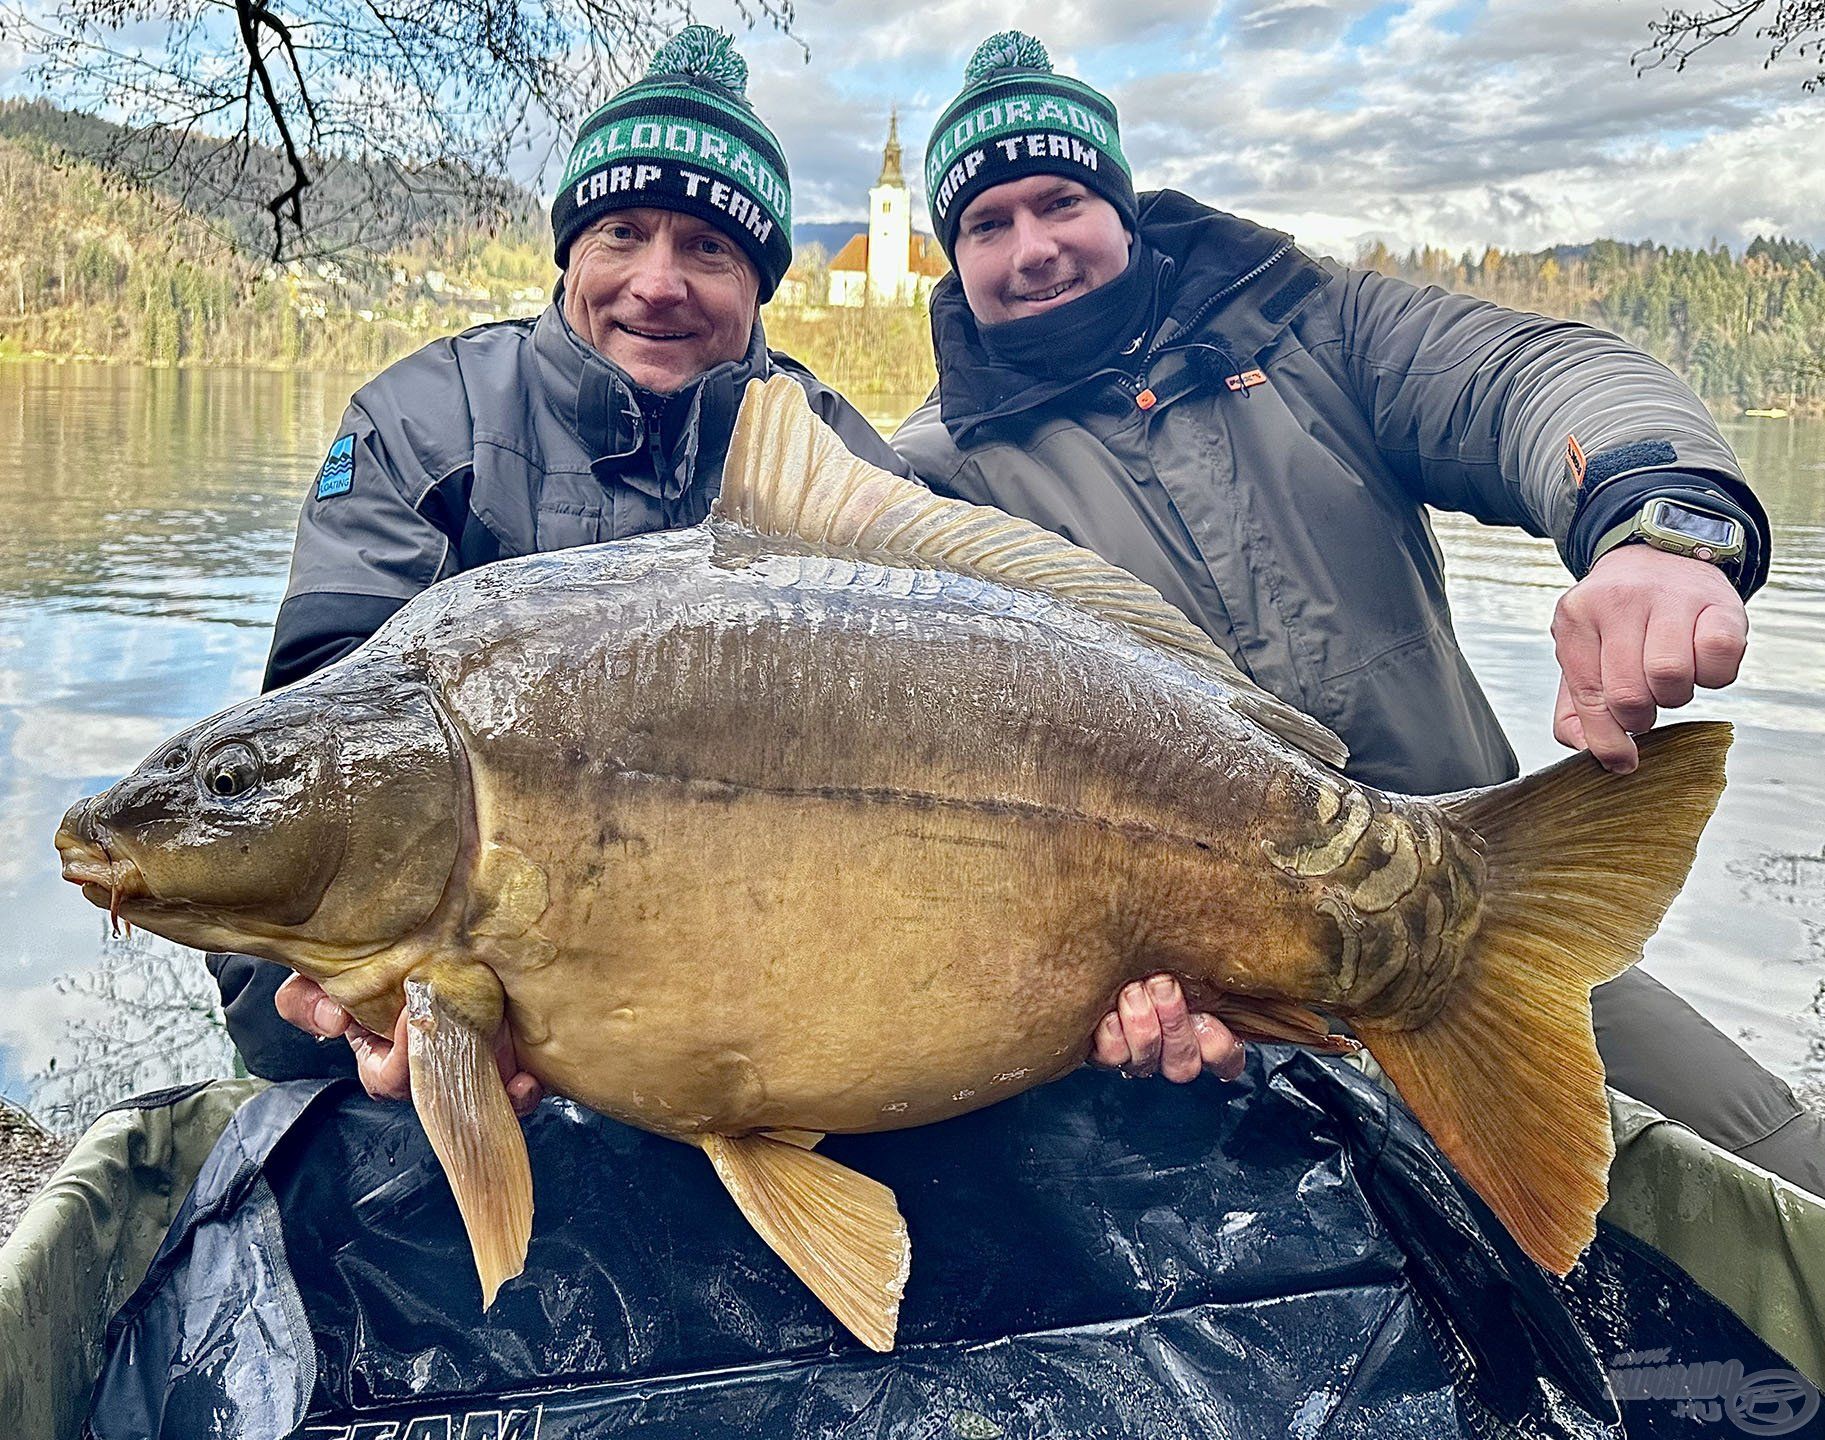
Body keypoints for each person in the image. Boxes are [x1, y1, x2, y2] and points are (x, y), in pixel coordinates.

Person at [894, 30, 1825, 1191]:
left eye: (1060, 201)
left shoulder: (1312, 333)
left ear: (1122, 210)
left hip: (1480, 908)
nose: (1032, 248)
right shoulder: (929, 482)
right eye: (987, 224)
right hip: (1204, 1015)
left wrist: (1659, 525)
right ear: (956, 256)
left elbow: (1529, 379)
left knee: (1786, 1187)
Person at [205, 25, 928, 1098]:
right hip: (485, 1022)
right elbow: (300, 777)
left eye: (708, 249)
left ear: (760, 285)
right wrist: (323, 1009)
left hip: (777, 1016)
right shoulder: (422, 424)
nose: (658, 282)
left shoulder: (833, 459)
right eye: (623, 232)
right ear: (570, 254)